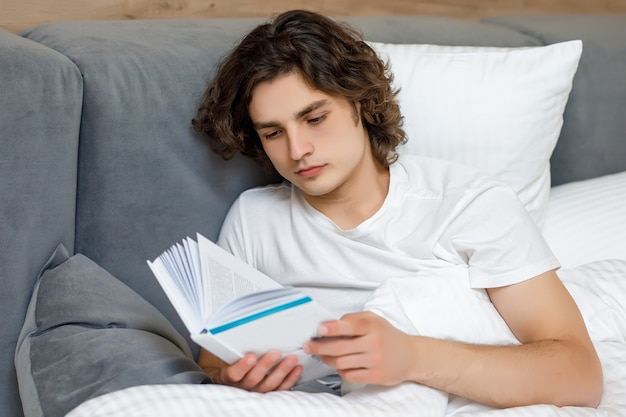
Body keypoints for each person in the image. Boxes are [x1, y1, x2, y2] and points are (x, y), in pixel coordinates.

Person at [191, 9, 603, 409]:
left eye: (315, 118)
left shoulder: (466, 203)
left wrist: (412, 358)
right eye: (274, 132)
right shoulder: (255, 218)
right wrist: (233, 378)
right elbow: (212, 361)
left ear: (361, 104)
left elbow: (579, 374)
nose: (297, 151)